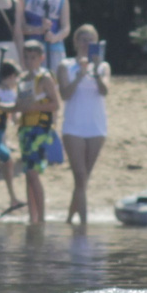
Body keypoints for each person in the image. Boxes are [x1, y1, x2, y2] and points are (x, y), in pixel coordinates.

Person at [58, 23, 111, 227]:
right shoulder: (66, 65)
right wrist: (80, 74)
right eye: (83, 39)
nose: (86, 43)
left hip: (96, 127)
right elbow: (65, 94)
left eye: (91, 40)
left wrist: (95, 70)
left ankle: (70, 219)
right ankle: (84, 226)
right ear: (76, 42)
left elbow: (105, 90)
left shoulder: (103, 66)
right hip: (74, 127)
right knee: (80, 175)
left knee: (83, 179)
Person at [14, 59, 61, 224]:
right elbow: (18, 105)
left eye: (34, 54)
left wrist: (34, 108)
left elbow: (56, 104)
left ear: (41, 57)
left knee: (33, 173)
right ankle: (32, 218)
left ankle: (41, 219)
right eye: (27, 54)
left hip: (39, 130)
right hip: (25, 131)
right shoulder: (22, 79)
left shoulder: (45, 77)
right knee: (28, 174)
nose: (29, 57)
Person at [0, 60, 23, 214]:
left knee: (7, 161)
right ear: (12, 76)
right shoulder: (7, 94)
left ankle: (13, 198)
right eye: (16, 78)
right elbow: (15, 119)